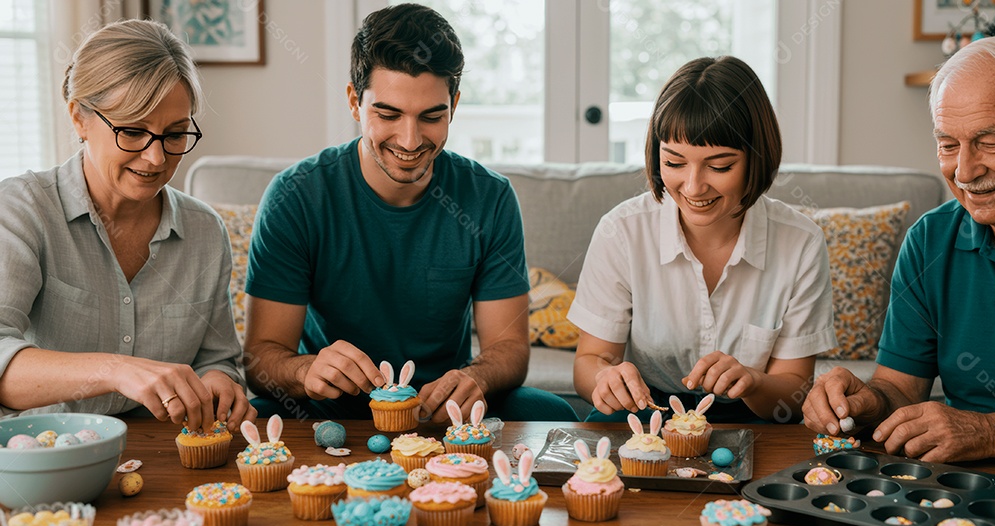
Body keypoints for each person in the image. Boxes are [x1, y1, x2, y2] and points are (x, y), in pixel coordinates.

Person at [243, 3, 577, 423]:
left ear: (454, 105)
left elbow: (508, 351)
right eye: (388, 114)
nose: (410, 139)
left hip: (443, 412)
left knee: (551, 412)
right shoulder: (296, 196)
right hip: (325, 410)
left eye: (432, 116)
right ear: (354, 101)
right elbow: (261, 358)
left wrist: (477, 378)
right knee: (255, 416)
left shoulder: (490, 197)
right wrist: (304, 370)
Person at [804, 37, 995, 462]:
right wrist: (865, 403)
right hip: (956, 486)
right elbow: (899, 388)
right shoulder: (929, 241)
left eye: (990, 141)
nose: (965, 171)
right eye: (948, 144)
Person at [0, 19, 253, 431]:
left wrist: (219, 383)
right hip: (43, 453)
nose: (155, 159)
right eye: (133, 132)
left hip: (161, 455)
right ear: (79, 118)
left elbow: (217, 358)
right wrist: (116, 370)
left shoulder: (205, 232)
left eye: (174, 135)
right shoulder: (22, 210)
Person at [568, 56, 837, 423]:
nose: (693, 187)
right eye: (675, 163)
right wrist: (605, 376)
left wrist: (753, 382)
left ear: (757, 157)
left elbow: (792, 393)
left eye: (720, 166)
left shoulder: (800, 243)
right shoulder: (622, 230)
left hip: (752, 414)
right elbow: (589, 361)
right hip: (647, 410)